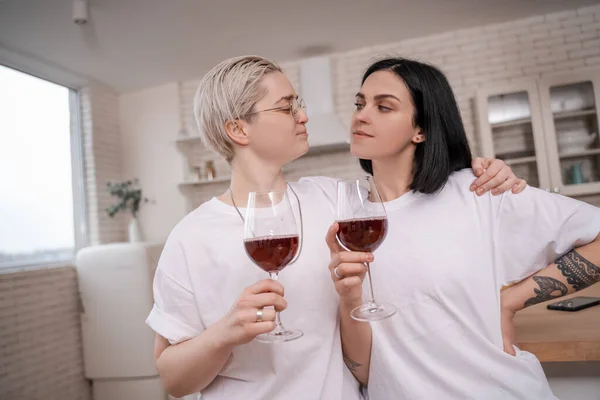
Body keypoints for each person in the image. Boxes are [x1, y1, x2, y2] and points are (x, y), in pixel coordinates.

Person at [145, 55, 524, 399]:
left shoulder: (333, 200)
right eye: (286, 107)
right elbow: (174, 381)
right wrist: (223, 334)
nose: (303, 116)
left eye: (300, 104)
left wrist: (473, 169)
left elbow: (412, 197)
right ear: (239, 130)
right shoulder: (190, 238)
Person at [326, 57, 600, 399]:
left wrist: (510, 301)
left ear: (421, 129)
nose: (361, 115)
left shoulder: (480, 190)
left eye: (384, 107)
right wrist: (349, 297)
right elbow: (366, 371)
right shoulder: (351, 222)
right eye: (359, 103)